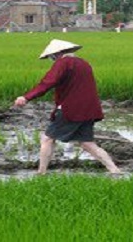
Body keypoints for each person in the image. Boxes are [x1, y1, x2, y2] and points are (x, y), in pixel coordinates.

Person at [13, 39, 121, 174]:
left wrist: (26, 97)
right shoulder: (84, 63)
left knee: (47, 138)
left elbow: (47, 83)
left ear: (56, 54)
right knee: (87, 143)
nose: (51, 59)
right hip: (89, 109)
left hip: (71, 109)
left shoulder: (62, 63)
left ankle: (41, 172)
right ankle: (115, 170)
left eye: (51, 57)